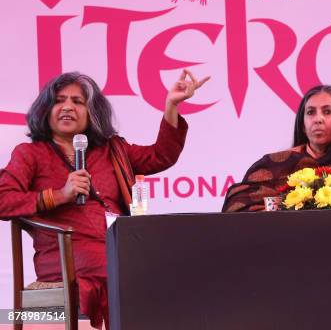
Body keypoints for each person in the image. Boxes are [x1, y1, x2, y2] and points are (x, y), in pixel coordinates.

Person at [0, 69, 208, 329]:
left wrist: (171, 105)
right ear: (45, 109)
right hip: (69, 255)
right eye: (59, 100)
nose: (67, 107)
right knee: (136, 270)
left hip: (121, 246)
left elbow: (161, 155)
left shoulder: (112, 150)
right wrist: (60, 195)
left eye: (77, 102)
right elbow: (4, 200)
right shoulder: (30, 154)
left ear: (91, 113)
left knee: (175, 266)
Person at [222, 85, 331, 212]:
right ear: (303, 125)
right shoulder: (274, 164)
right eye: (311, 112)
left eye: (327, 111)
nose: (318, 119)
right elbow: (238, 205)